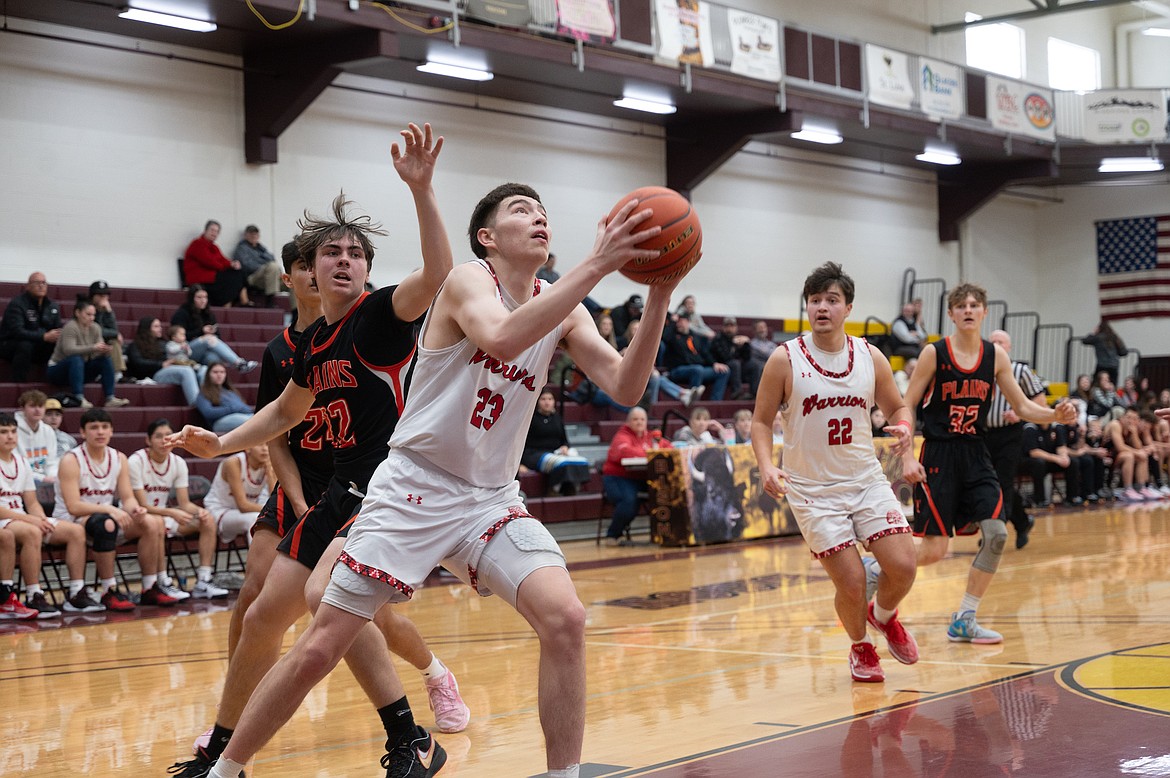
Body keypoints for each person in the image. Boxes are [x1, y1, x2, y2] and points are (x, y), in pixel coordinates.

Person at [176, 177, 674, 778]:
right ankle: (228, 769)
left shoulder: (567, 307)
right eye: (523, 210)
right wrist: (598, 264)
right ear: (488, 237)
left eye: (545, 211)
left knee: (565, 618)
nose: (540, 218)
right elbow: (502, 335)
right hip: (414, 486)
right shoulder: (469, 280)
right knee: (321, 645)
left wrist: (660, 293)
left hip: (490, 500)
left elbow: (625, 386)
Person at [165, 123, 468, 778]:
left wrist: (422, 191)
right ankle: (219, 747)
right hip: (338, 490)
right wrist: (220, 442)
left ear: (366, 269)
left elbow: (439, 270)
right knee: (260, 617)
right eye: (331, 251)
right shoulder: (309, 345)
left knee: (328, 601)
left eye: (355, 252)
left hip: (386, 486)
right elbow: (283, 413)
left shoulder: (382, 315)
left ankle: (409, 738)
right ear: (308, 269)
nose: (344, 259)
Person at [752, 262, 919, 683]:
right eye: (815, 300)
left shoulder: (869, 355)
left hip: (865, 479)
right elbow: (759, 422)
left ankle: (883, 616)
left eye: (832, 300)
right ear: (807, 306)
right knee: (851, 580)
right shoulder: (784, 359)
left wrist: (903, 427)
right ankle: (861, 648)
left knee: (903, 565)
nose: (822, 307)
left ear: (848, 308)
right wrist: (767, 465)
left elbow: (898, 407)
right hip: (812, 490)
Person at [898, 283, 1076, 645]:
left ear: (983, 312)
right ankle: (879, 570)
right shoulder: (935, 353)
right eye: (960, 305)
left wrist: (1055, 414)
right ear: (950, 314)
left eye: (974, 305)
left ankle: (965, 617)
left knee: (996, 534)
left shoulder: (996, 356)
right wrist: (904, 454)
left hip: (977, 453)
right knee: (933, 550)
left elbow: (1024, 407)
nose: (967, 310)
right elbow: (907, 404)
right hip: (939, 453)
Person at [53, 408, 177, 611]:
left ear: (111, 431)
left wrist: (135, 509)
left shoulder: (119, 458)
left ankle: (150, 587)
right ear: (83, 433)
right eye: (94, 428)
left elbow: (127, 497)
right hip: (72, 520)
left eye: (104, 427)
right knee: (107, 523)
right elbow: (73, 506)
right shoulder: (71, 460)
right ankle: (108, 589)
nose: (100, 432)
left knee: (151, 523)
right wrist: (111, 510)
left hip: (106, 516)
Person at [0, 411, 97, 617]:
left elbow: (32, 502)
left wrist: (42, 519)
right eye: (3, 432)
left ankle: (76, 593)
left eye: (13, 432)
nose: (10, 436)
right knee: (32, 532)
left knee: (75, 531)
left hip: (20, 518)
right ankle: (34, 594)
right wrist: (32, 520)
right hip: (6, 519)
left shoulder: (21, 461)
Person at [128, 418, 228, 600]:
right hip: (139, 517)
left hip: (164, 515)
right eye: (158, 436)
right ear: (148, 441)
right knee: (156, 523)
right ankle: (162, 581)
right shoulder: (136, 461)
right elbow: (143, 506)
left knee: (207, 521)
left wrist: (199, 512)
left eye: (168, 435)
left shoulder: (178, 462)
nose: (164, 440)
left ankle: (203, 581)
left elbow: (184, 503)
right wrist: (172, 512)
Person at [983, 330, 1047, 550]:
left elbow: (1041, 402)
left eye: (1001, 341)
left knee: (1002, 481)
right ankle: (1022, 521)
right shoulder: (980, 370)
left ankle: (995, 533)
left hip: (1010, 435)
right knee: (988, 482)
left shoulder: (1020, 370)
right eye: (992, 342)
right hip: (983, 434)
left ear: (1009, 347)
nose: (996, 344)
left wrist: (1019, 414)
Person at [602, 406, 671, 545]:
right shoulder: (622, 436)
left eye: (642, 419)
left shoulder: (651, 436)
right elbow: (624, 452)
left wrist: (651, 452)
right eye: (635, 419)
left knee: (667, 492)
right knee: (629, 500)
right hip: (618, 478)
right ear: (628, 422)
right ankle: (613, 534)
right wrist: (652, 453)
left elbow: (670, 449)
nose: (639, 422)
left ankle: (665, 533)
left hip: (641, 478)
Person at [45, 298, 130, 409]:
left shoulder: (95, 328)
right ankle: (79, 397)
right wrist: (94, 348)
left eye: (93, 315)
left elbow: (96, 351)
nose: (92, 318)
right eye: (88, 314)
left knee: (106, 359)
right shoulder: (71, 327)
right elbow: (68, 350)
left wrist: (104, 351)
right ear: (78, 313)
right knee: (76, 359)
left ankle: (110, 398)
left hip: (81, 368)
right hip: (58, 369)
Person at [170, 286, 260, 373]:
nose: (203, 300)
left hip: (204, 351)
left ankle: (211, 386)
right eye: (199, 297)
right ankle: (239, 363)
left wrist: (212, 333)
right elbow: (176, 335)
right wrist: (202, 331)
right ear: (192, 298)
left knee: (214, 360)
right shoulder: (182, 313)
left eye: (205, 297)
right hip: (183, 350)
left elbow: (218, 337)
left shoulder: (208, 313)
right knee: (209, 338)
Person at [521, 390, 591, 496]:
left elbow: (565, 440)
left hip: (555, 452)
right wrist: (519, 464)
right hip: (533, 454)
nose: (547, 402)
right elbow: (520, 443)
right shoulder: (530, 419)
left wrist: (565, 447)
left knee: (582, 461)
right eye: (543, 399)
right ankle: (554, 489)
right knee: (562, 463)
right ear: (537, 401)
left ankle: (570, 489)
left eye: (550, 399)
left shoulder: (557, 418)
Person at [203, 444, 273, 544]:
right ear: (248, 448)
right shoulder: (234, 463)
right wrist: (271, 511)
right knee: (257, 519)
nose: (265, 449)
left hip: (246, 512)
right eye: (260, 444)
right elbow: (243, 506)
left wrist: (271, 474)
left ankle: (273, 558)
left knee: (269, 518)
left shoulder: (268, 464)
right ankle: (257, 559)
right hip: (219, 511)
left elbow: (275, 498)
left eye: (267, 444)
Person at [125, 317, 205, 404]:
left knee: (204, 369)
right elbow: (138, 363)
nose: (160, 329)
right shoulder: (135, 345)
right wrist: (161, 364)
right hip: (154, 374)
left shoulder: (163, 342)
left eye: (160, 326)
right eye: (156, 326)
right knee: (186, 371)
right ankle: (197, 404)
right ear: (147, 329)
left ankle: (209, 400)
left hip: (172, 368)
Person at [0, 272, 62, 382]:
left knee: (61, 345)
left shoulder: (52, 305)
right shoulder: (17, 304)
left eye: (44, 283)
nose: (41, 286)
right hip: (11, 345)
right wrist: (43, 336)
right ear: (28, 286)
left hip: (39, 345)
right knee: (25, 345)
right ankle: (18, 383)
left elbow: (57, 329)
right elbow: (17, 332)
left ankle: (55, 382)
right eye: (37, 282)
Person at [663, 313, 730, 400]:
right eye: (678, 322)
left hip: (698, 369)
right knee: (697, 369)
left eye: (681, 322)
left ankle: (715, 402)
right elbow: (664, 337)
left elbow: (705, 353)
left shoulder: (695, 337)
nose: (679, 324)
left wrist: (714, 363)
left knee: (724, 371)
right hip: (678, 369)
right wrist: (672, 322)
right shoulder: (673, 336)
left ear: (688, 322)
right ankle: (692, 399)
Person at [184, 220, 250, 307]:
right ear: (205, 231)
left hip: (212, 278)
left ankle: (240, 301)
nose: (214, 233)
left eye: (217, 232)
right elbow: (211, 263)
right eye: (212, 230)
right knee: (235, 276)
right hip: (200, 280)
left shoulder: (214, 247)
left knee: (239, 272)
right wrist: (229, 265)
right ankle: (242, 301)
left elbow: (223, 260)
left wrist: (233, 264)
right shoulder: (197, 244)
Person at [15, 389, 61, 483]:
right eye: (32, 406)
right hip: (20, 480)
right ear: (23, 408)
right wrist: (41, 478)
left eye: (40, 406)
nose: (37, 410)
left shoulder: (48, 430)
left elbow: (51, 463)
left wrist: (54, 477)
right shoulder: (13, 431)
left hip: (45, 480)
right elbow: (15, 466)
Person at [195, 363, 254, 433]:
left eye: (222, 372)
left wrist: (237, 408)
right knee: (250, 421)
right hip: (220, 422)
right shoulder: (203, 393)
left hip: (243, 415)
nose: (219, 375)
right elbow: (209, 412)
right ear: (208, 375)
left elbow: (245, 408)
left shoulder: (230, 391)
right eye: (215, 372)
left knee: (259, 418)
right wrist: (232, 408)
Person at [232, 225, 284, 303]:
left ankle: (295, 311)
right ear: (246, 235)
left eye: (255, 234)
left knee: (292, 281)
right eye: (251, 234)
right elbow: (247, 265)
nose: (254, 236)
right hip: (252, 279)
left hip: (268, 277)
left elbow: (272, 259)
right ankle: (270, 301)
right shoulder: (242, 249)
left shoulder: (261, 248)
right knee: (272, 267)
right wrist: (265, 266)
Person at [711, 316, 758, 400]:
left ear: (736, 327)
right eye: (727, 326)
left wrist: (746, 344)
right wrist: (733, 344)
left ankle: (755, 393)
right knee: (735, 363)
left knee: (754, 364)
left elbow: (747, 357)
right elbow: (725, 357)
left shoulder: (738, 338)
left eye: (732, 326)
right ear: (723, 327)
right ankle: (737, 392)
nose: (729, 329)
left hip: (738, 369)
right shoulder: (718, 339)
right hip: (724, 366)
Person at [87, 280, 125, 380]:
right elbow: (95, 330)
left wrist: (108, 312)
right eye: (100, 295)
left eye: (105, 295)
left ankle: (117, 373)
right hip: (88, 342)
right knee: (112, 339)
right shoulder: (86, 309)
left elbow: (114, 329)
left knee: (114, 342)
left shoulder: (106, 309)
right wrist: (115, 334)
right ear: (92, 296)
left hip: (102, 341)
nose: (103, 298)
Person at [1083, 320, 1127, 385]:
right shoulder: (1114, 337)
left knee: (1097, 384)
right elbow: (1124, 352)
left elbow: (1085, 341)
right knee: (1111, 385)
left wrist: (1094, 333)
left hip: (1102, 365)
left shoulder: (1098, 337)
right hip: (1114, 366)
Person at [41, 398, 79, 464]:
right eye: (49, 414)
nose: (54, 418)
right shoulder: (35, 438)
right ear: (41, 416)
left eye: (57, 415)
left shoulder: (69, 440)